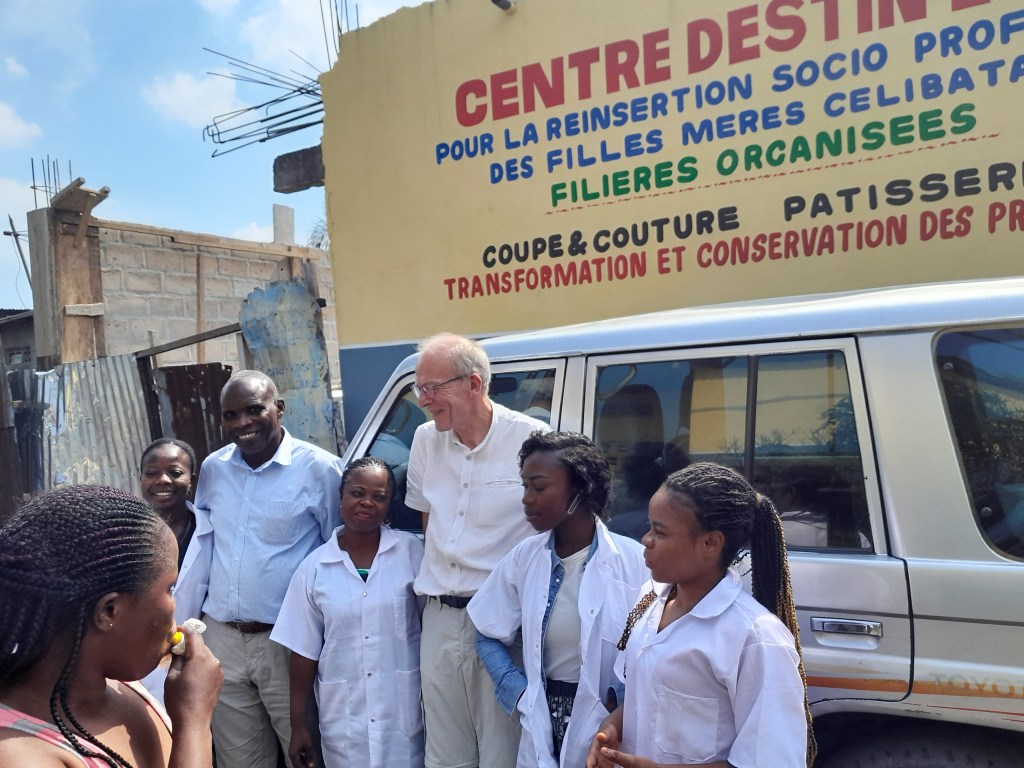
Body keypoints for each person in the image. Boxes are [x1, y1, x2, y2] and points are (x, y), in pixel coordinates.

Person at [586, 463, 817, 768]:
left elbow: (772, 761)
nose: (646, 540)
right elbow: (648, 694)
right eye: (649, 527)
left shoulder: (754, 639)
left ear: (710, 543)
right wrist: (614, 724)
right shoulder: (649, 601)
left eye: (660, 532)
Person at [0, 484, 223, 768]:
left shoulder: (124, 688)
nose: (174, 605)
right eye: (169, 588)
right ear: (109, 611)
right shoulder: (18, 755)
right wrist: (194, 722)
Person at [406, 332, 550, 768]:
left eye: (433, 388)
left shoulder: (532, 440)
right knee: (445, 757)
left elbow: (549, 533)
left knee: (503, 754)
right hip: (438, 618)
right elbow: (428, 522)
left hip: (503, 624)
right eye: (419, 388)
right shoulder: (425, 440)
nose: (424, 400)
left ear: (473, 383)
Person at [469, 432, 647, 768]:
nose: (527, 499)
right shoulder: (524, 558)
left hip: (610, 724)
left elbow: (653, 649)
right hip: (542, 718)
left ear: (580, 490)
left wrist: (621, 706)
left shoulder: (634, 562)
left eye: (539, 487)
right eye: (525, 486)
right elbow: (486, 633)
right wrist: (519, 692)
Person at [196, 370, 344, 768]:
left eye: (253, 410)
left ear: (279, 408)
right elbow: (203, 544)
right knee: (238, 761)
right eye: (230, 415)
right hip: (222, 639)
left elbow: (337, 554)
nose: (242, 423)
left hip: (288, 643)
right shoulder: (213, 469)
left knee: (306, 754)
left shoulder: (321, 469)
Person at [272, 456, 425, 768]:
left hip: (403, 718)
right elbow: (303, 653)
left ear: (389, 505)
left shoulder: (412, 553)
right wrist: (299, 725)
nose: (367, 502)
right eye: (357, 493)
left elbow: (430, 625)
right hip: (344, 723)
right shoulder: (314, 568)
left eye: (379, 497)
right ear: (340, 496)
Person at [137, 438, 214, 705]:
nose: (163, 480)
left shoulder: (211, 532)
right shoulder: (124, 533)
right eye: (152, 473)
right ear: (140, 478)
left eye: (175, 472)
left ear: (192, 479)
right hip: (135, 664)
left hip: (194, 664)